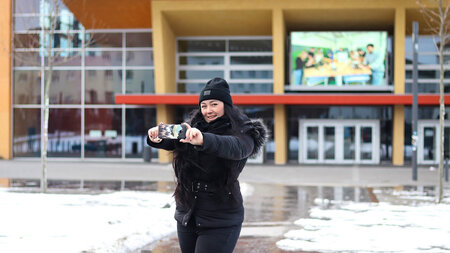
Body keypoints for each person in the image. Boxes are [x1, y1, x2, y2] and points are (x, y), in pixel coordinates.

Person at [147, 77, 268, 253]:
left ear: (226, 105)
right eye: (204, 106)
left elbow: (236, 148)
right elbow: (175, 142)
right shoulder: (193, 127)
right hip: (188, 215)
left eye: (214, 104)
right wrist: (156, 137)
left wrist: (204, 139)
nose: (208, 110)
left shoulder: (243, 130)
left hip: (221, 220)